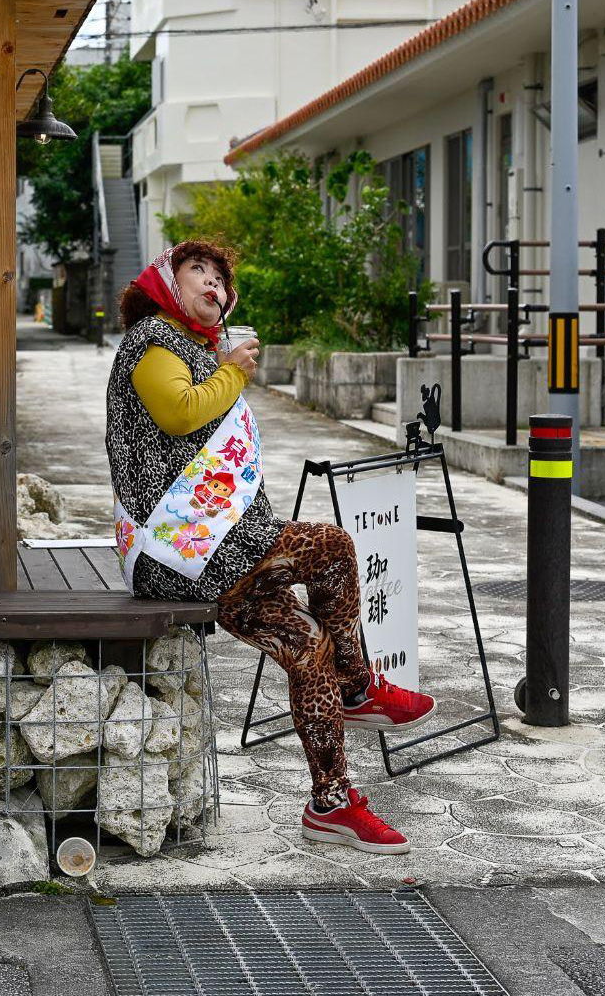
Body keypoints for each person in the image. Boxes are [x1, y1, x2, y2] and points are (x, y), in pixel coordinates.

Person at [106, 240, 435, 855]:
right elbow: (178, 413)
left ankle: (331, 802)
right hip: (184, 551)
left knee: (308, 650)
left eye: (220, 277)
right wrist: (233, 370)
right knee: (332, 547)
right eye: (197, 271)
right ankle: (358, 686)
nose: (213, 283)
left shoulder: (198, 350)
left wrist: (224, 366)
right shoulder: (154, 340)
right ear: (166, 283)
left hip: (208, 553)